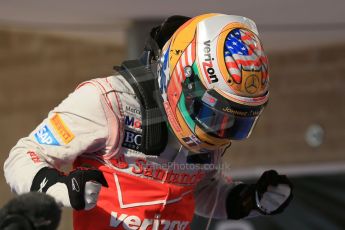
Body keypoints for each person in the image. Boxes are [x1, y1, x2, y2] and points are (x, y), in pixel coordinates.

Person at [4, 13, 293, 230]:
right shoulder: (108, 102)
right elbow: (22, 157)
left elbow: (201, 192)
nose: (221, 130)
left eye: (234, 122)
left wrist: (247, 199)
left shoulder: (208, 132)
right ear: (183, 81)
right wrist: (59, 188)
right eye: (214, 113)